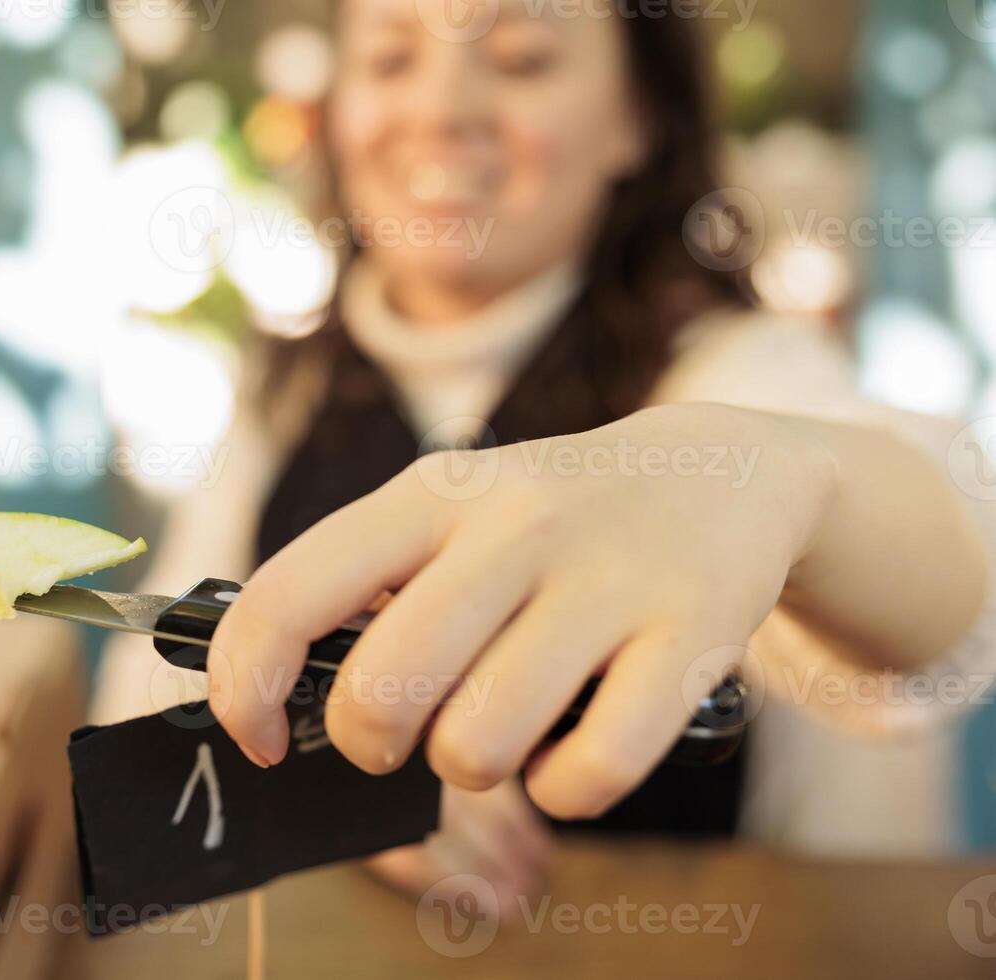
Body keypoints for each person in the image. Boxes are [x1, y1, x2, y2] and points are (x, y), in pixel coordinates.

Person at [93, 0, 996, 911]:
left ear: (636, 119)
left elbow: (957, 587)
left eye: (523, 59)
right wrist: (288, 796)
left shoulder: (733, 371)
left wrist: (789, 480)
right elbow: (132, 753)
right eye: (390, 59)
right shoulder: (278, 399)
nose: (441, 108)